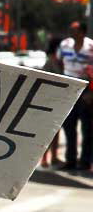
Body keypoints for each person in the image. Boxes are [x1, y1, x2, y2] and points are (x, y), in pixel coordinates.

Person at [57, 21, 93, 171]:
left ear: (82, 32)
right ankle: (70, 160)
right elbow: (58, 61)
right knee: (68, 125)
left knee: (87, 127)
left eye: (75, 30)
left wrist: (91, 92)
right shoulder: (65, 44)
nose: (72, 32)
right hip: (69, 88)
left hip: (85, 89)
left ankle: (85, 161)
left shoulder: (90, 47)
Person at [41, 37, 64, 168]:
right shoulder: (51, 61)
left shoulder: (60, 60)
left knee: (56, 131)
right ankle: (45, 158)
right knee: (48, 132)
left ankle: (54, 156)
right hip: (50, 99)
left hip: (59, 100)